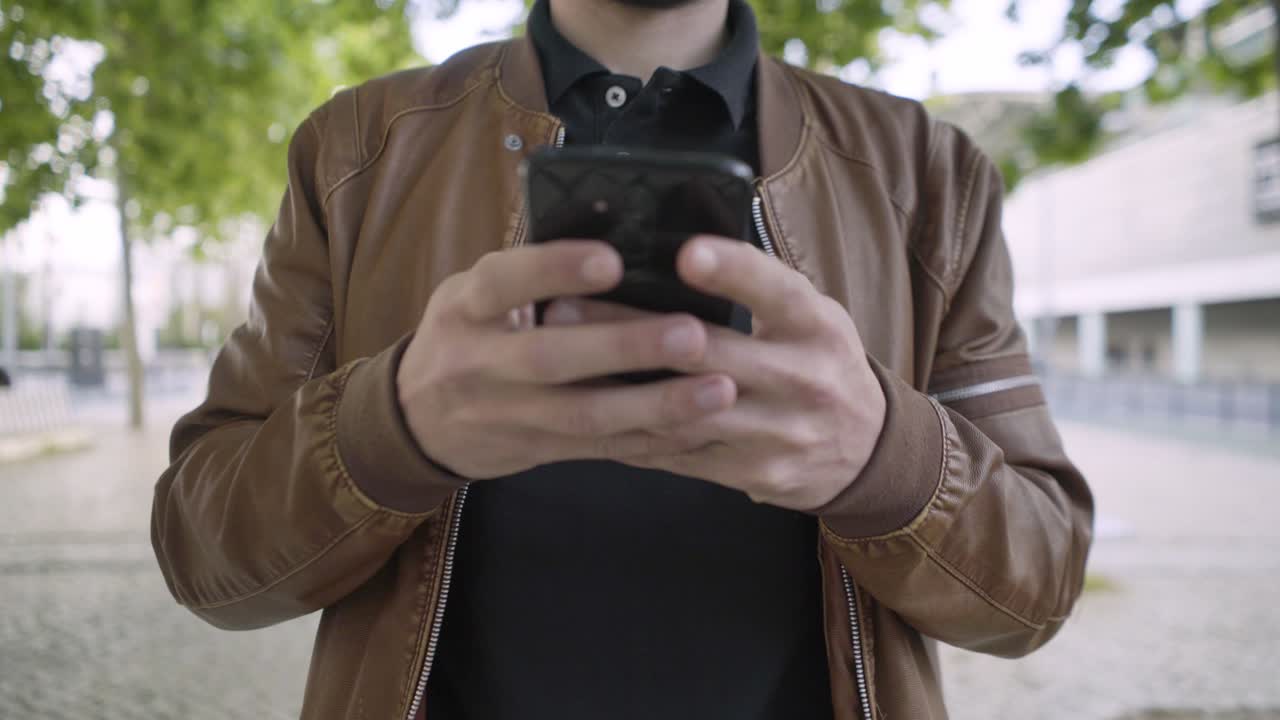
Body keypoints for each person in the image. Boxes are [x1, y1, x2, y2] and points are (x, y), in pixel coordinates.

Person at [150, 0, 1094, 718]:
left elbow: (1034, 590)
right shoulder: (355, 148)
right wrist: (388, 426)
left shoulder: (926, 169)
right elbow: (208, 558)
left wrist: (887, 457)